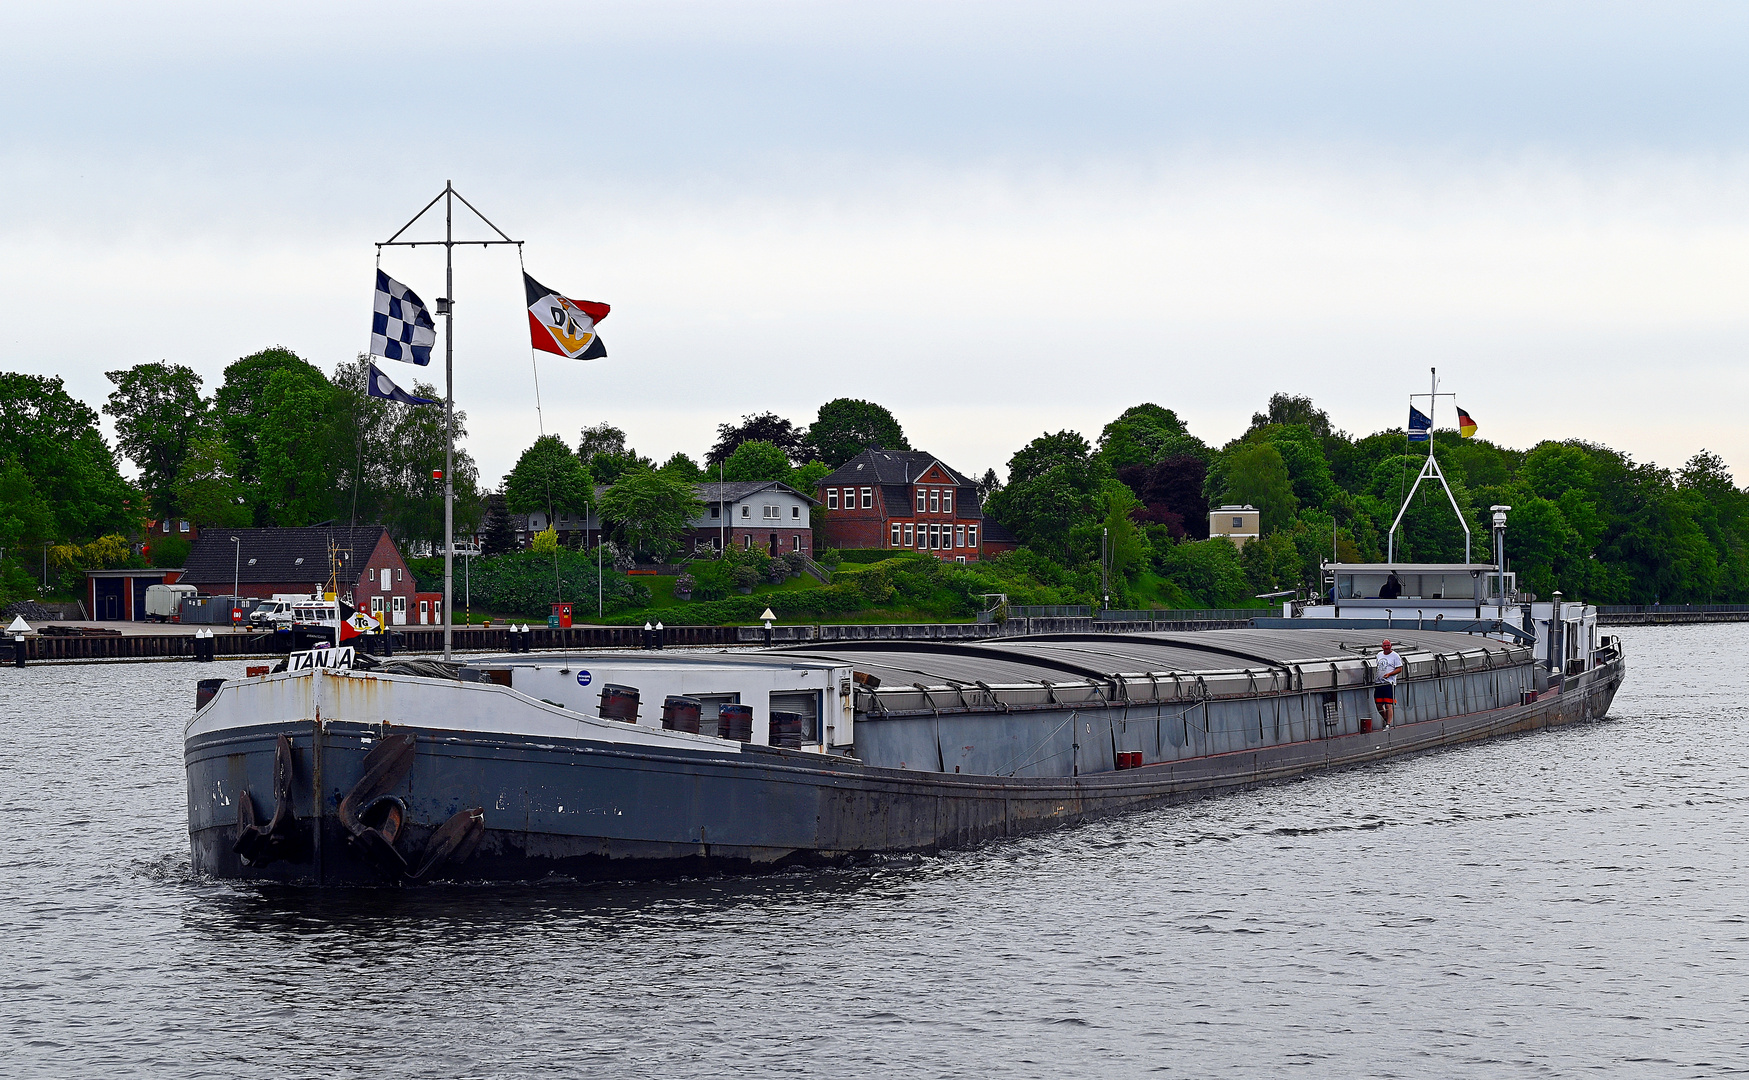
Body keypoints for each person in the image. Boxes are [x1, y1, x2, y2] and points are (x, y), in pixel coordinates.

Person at [1374, 639, 1404, 728]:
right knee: (1378, 704)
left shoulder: (1395, 656)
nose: (1386, 647)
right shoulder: (1379, 655)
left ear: (1391, 646)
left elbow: (1399, 669)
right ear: (1382, 647)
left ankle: (1388, 724)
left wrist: (1390, 674)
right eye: (1385, 646)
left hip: (1389, 683)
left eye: (1388, 645)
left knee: (1388, 704)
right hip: (1379, 683)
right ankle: (1386, 718)